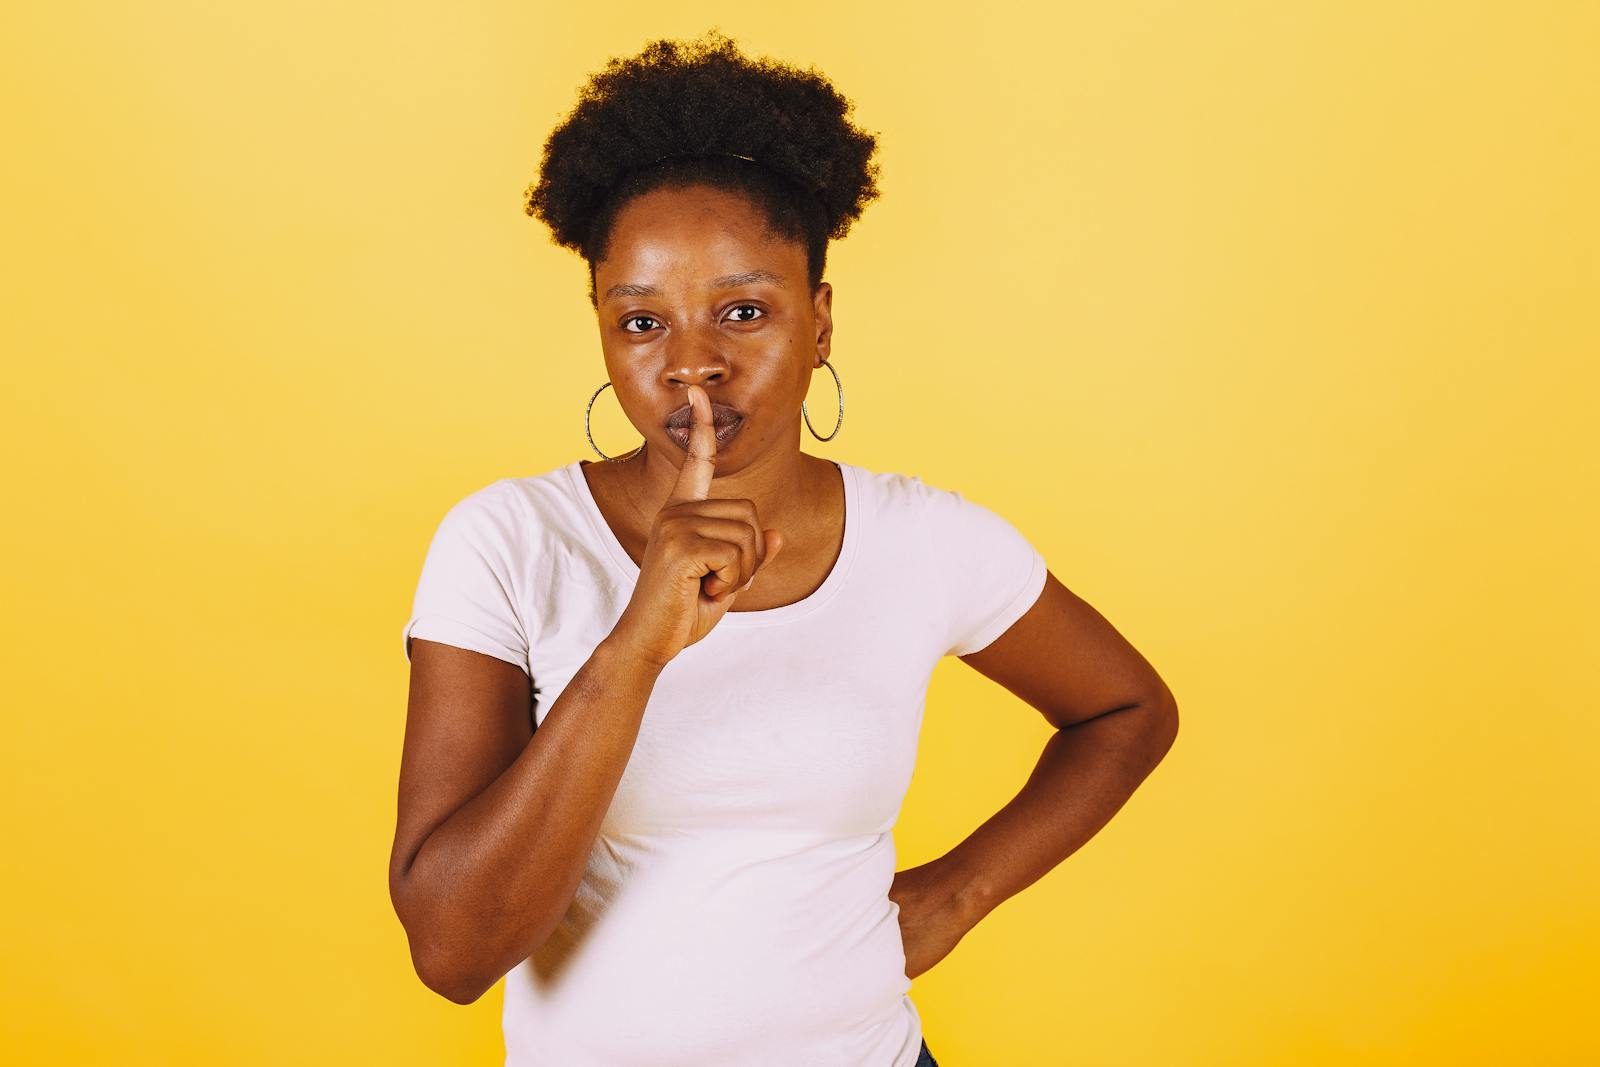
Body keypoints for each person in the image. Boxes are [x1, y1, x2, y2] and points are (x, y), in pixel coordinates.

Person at [390, 30, 1179, 1067]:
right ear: (600, 328)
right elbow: (453, 950)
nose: (692, 366)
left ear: (820, 322)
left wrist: (955, 894)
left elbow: (1126, 709)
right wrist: (637, 642)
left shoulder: (923, 539)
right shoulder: (506, 541)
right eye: (640, 323)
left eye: (744, 311)